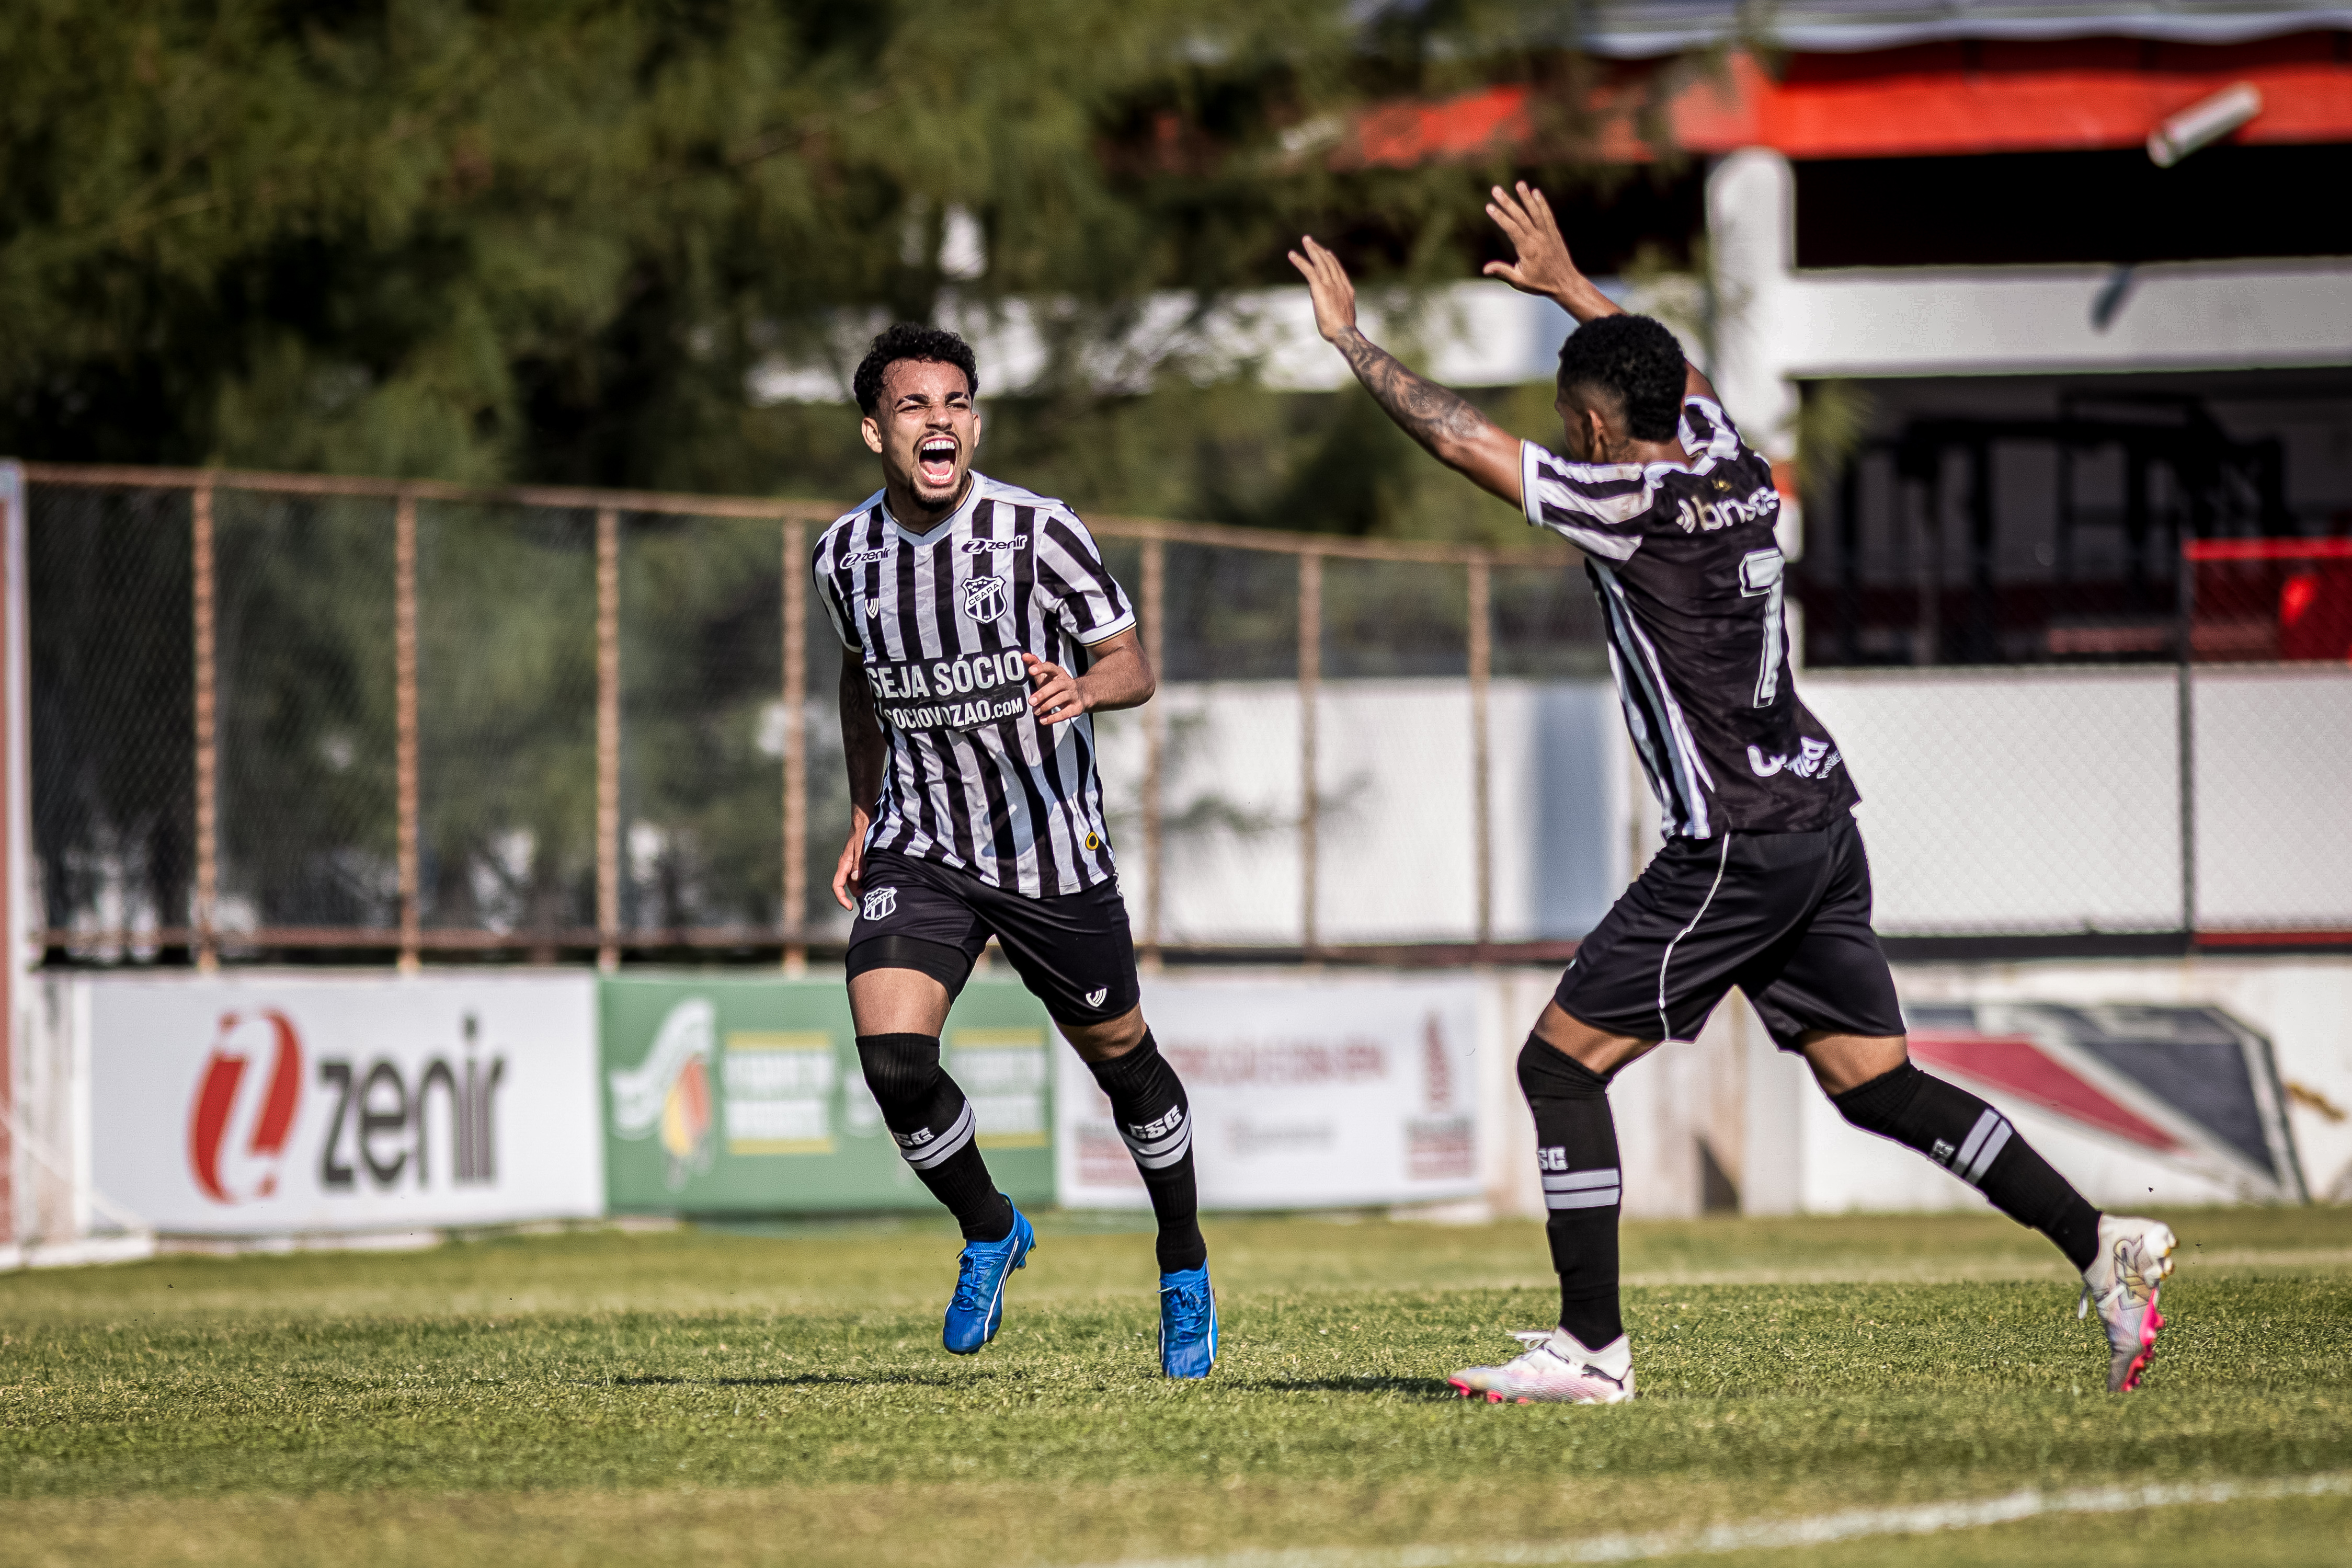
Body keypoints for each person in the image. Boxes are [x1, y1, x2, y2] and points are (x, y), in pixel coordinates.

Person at [1287, 185, 2176, 1403]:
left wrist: (1349, 340)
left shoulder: (1624, 504)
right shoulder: (1732, 460)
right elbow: (1680, 374)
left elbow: (1455, 438)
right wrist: (1572, 290)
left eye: (1569, 418)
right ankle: (2096, 1242)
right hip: (1816, 817)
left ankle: (1589, 1352)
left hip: (1733, 848)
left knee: (1558, 1068)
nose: (1564, 436)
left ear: (1597, 431)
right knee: (1875, 1086)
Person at [814, 322, 1215, 1378]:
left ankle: (1182, 1263)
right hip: (922, 842)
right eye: (912, 405)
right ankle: (990, 1226)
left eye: (954, 402)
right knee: (894, 1060)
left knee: (1123, 1063)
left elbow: (1132, 663)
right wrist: (864, 812)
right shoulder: (842, 555)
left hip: (1048, 849)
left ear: (974, 421)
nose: (937, 420)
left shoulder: (1037, 532)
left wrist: (1083, 687)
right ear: (874, 432)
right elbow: (859, 680)